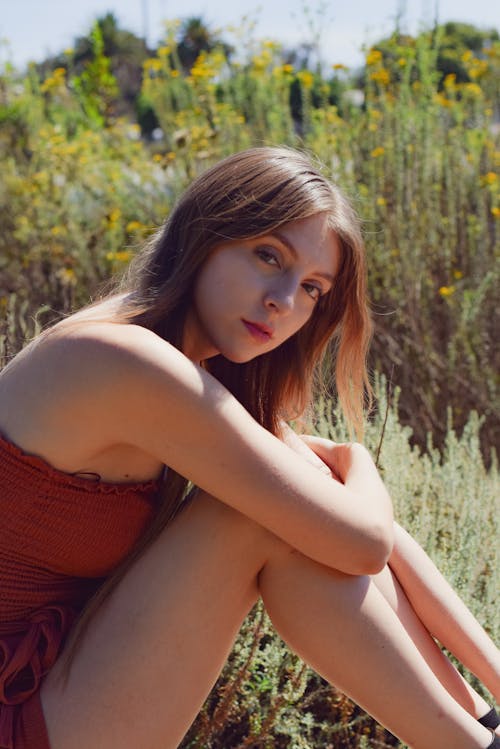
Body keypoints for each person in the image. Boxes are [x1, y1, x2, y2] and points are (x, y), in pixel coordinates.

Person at [0, 146, 498, 749]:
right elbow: (364, 542)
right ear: (206, 233)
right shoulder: (121, 359)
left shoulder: (195, 374)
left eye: (313, 288)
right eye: (269, 256)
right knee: (256, 517)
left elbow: (376, 538)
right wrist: (360, 460)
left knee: (298, 506)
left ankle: (481, 726)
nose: (285, 301)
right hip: (20, 710)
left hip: (62, 680)